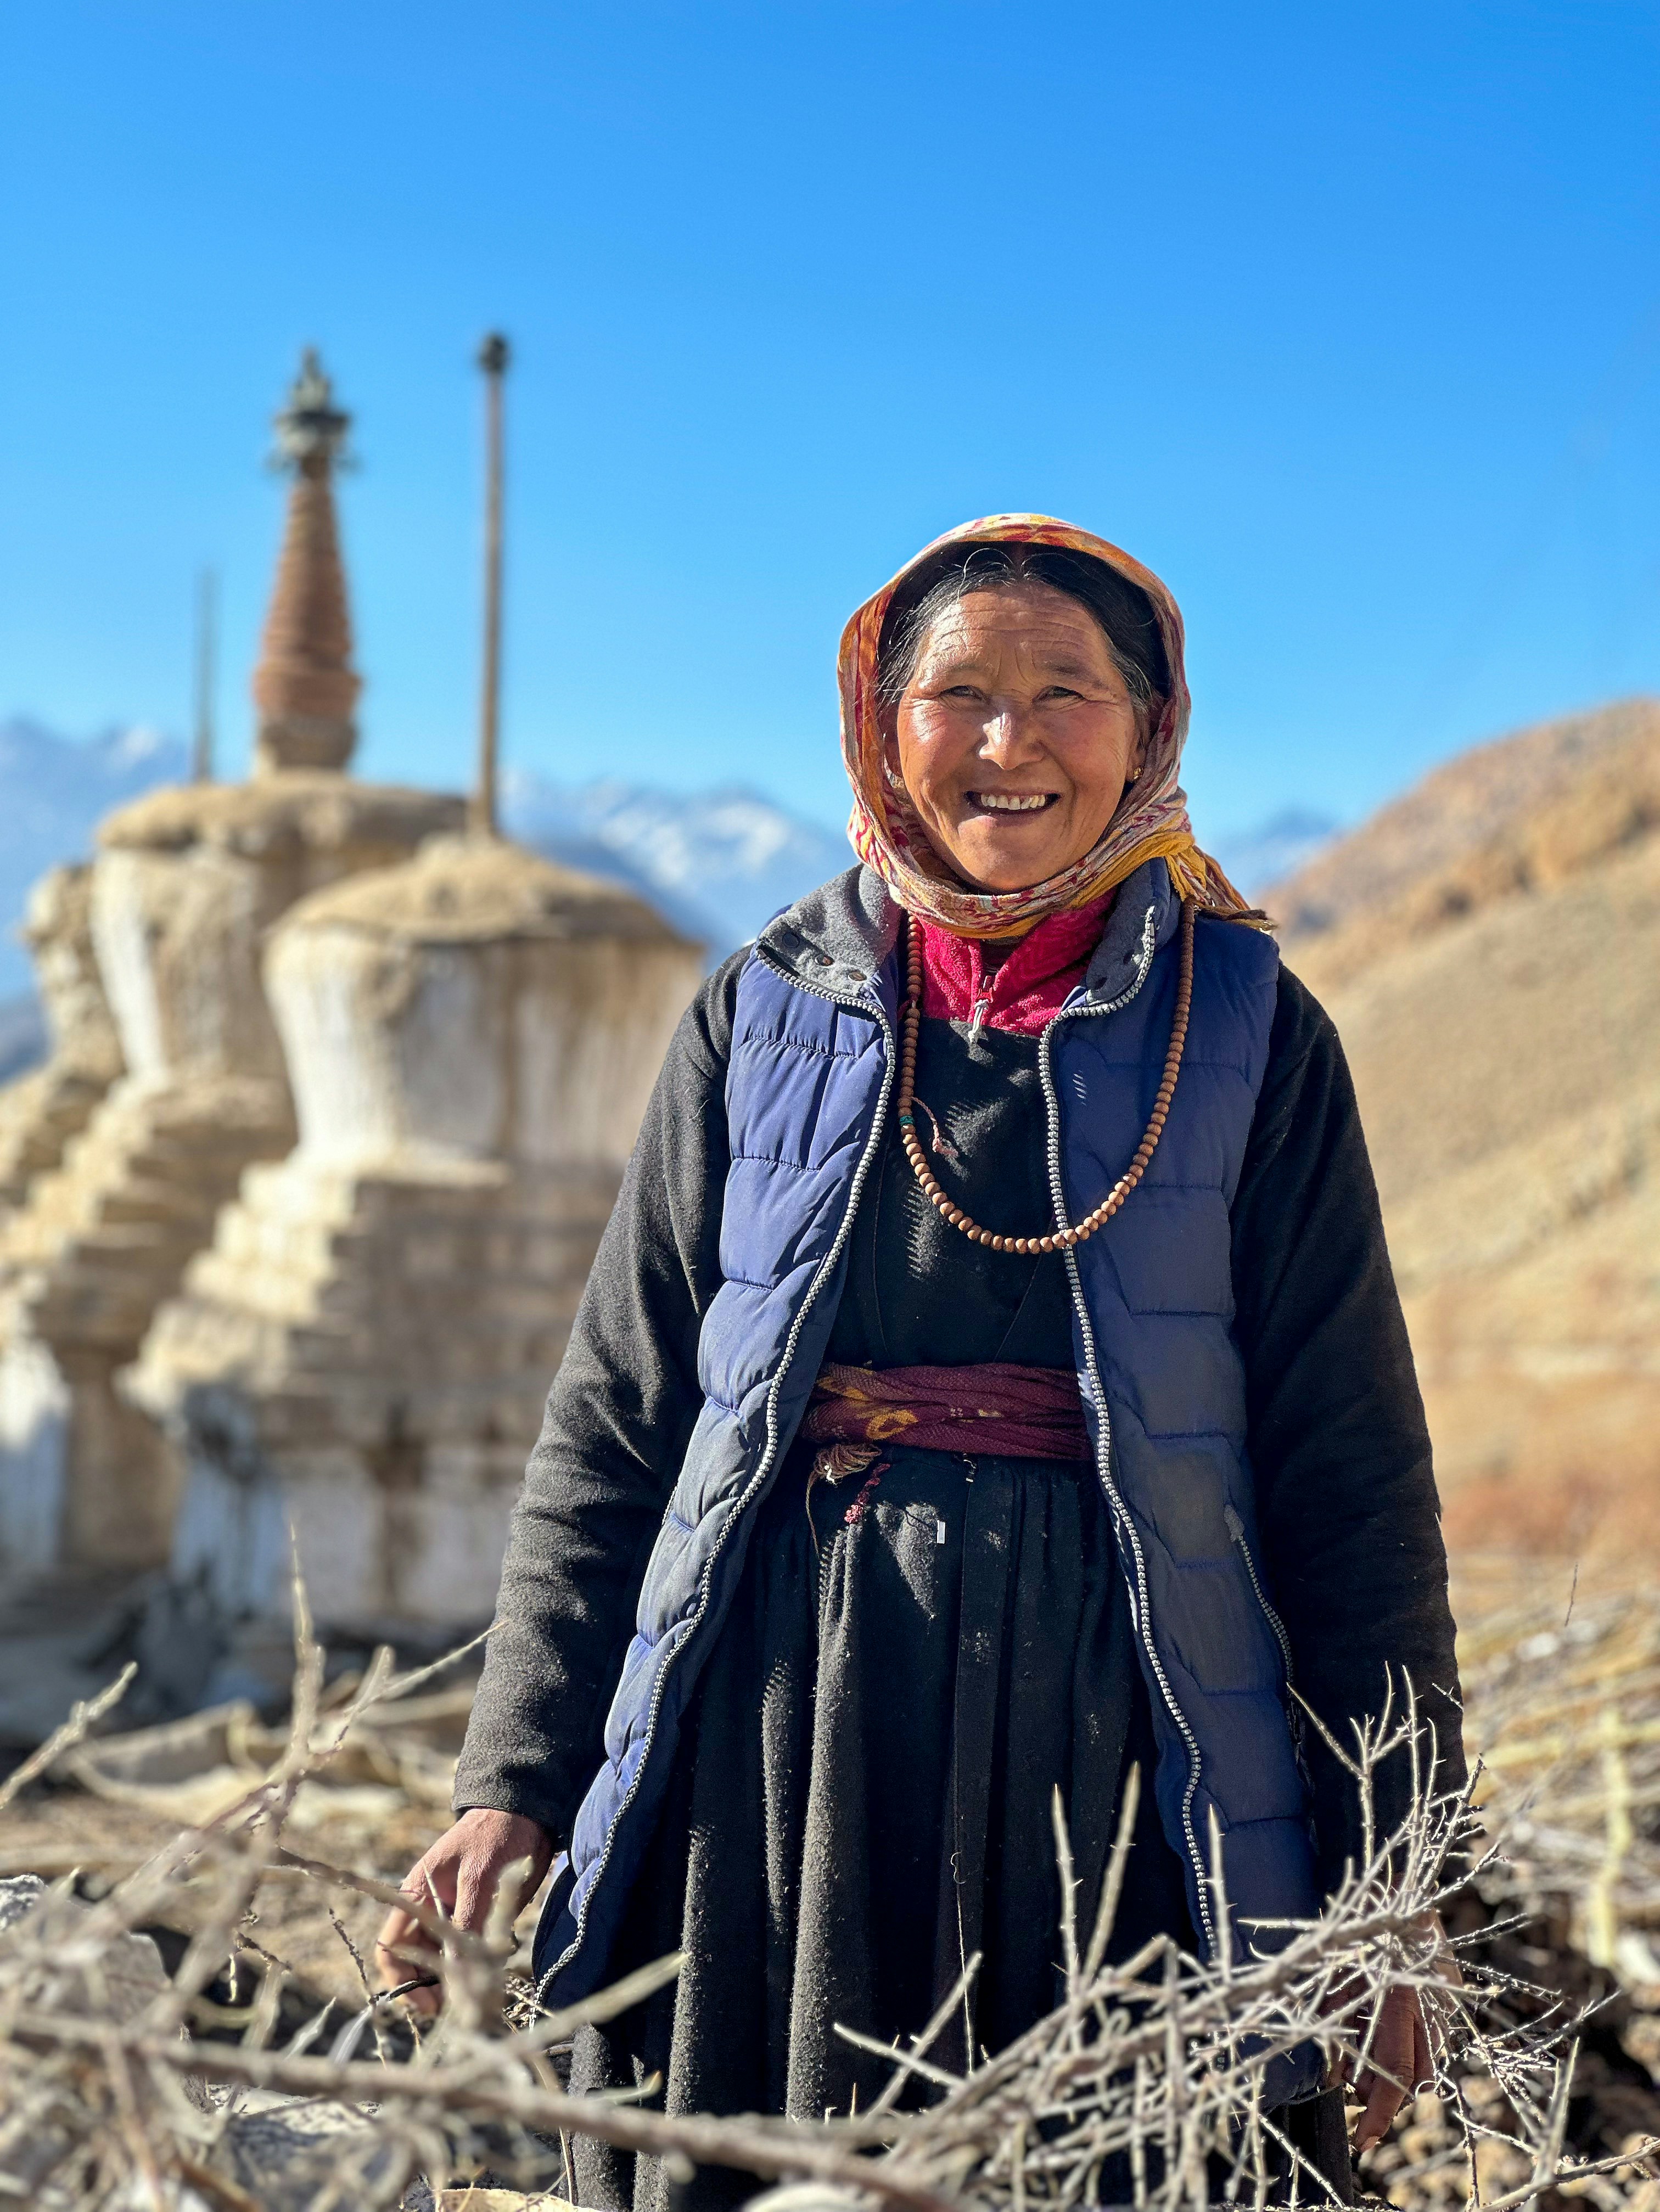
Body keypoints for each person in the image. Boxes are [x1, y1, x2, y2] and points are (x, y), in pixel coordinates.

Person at [378, 515, 1463, 2207]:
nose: (1011, 741)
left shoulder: (1249, 1029)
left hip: (1127, 1741)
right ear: (884, 728)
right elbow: (620, 1421)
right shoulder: (767, 1011)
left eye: (1066, 693)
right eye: (960, 694)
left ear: (1151, 725)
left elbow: (1353, 1485)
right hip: (782, 1732)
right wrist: (514, 1777)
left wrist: (1397, 1891)